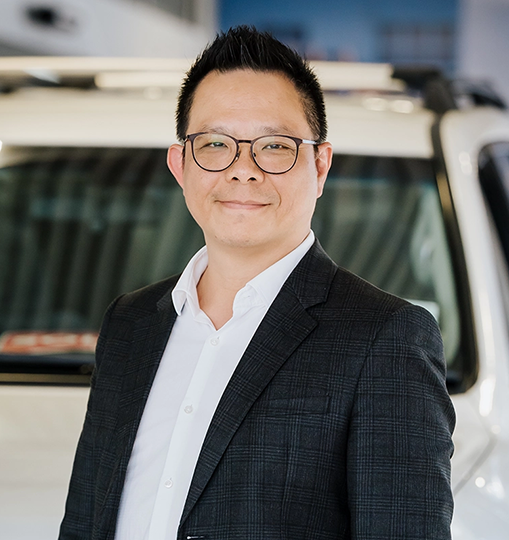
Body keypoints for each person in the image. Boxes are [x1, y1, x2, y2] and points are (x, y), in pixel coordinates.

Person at [59, 25, 456, 540]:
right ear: (180, 165)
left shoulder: (386, 339)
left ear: (320, 165)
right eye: (215, 144)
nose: (243, 170)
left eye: (274, 146)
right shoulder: (130, 323)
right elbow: (85, 522)